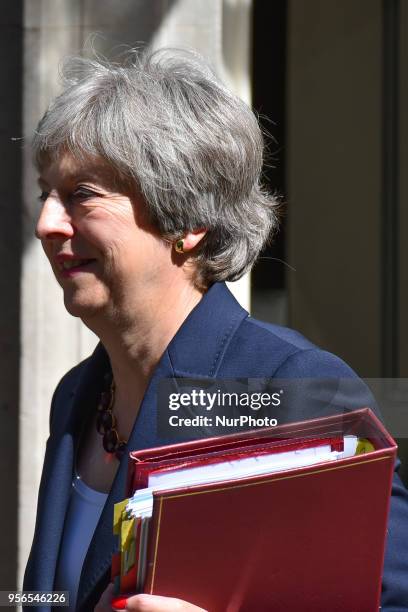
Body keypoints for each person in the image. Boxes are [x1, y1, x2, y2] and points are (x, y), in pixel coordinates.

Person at [23, 48, 408, 612]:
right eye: (46, 194)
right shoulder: (77, 395)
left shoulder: (288, 388)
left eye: (82, 195)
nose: (46, 224)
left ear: (187, 222)